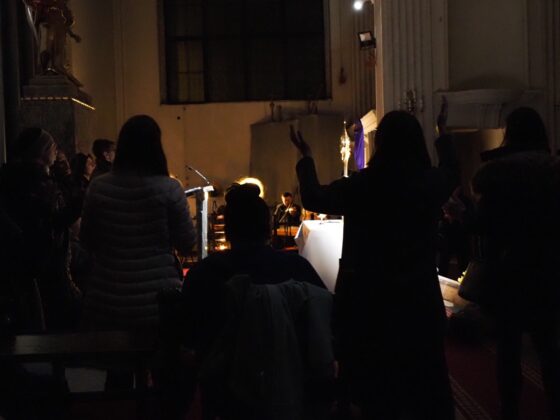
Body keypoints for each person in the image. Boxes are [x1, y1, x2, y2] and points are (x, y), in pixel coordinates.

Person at [289, 109, 458, 419]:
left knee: (376, 390)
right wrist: (442, 132)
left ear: (380, 143)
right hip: (418, 298)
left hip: (368, 300)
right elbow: (452, 171)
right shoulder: (429, 183)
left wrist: (306, 157)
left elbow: (313, 197)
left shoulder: (361, 185)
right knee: (426, 380)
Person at [181, 182, 329, 419]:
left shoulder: (204, 274)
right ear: (268, 227)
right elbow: (323, 322)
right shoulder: (297, 268)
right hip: (291, 382)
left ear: (227, 230)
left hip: (224, 391)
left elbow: (188, 335)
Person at [471, 107, 560, 420]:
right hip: (548, 268)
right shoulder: (554, 172)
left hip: (510, 269)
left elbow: (483, 223)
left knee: (508, 349)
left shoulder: (498, 175)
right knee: (548, 347)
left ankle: (509, 410)